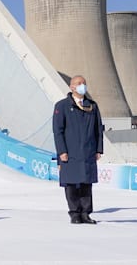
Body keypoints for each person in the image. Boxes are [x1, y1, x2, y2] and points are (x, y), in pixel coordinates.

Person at [53, 75, 104, 225]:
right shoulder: (62, 106)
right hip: (70, 152)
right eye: (79, 83)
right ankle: (74, 213)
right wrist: (62, 151)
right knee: (71, 184)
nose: (83, 86)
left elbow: (98, 129)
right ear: (72, 87)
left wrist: (98, 149)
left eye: (84, 83)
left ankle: (85, 213)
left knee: (86, 184)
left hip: (88, 152)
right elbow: (58, 131)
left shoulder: (92, 106)